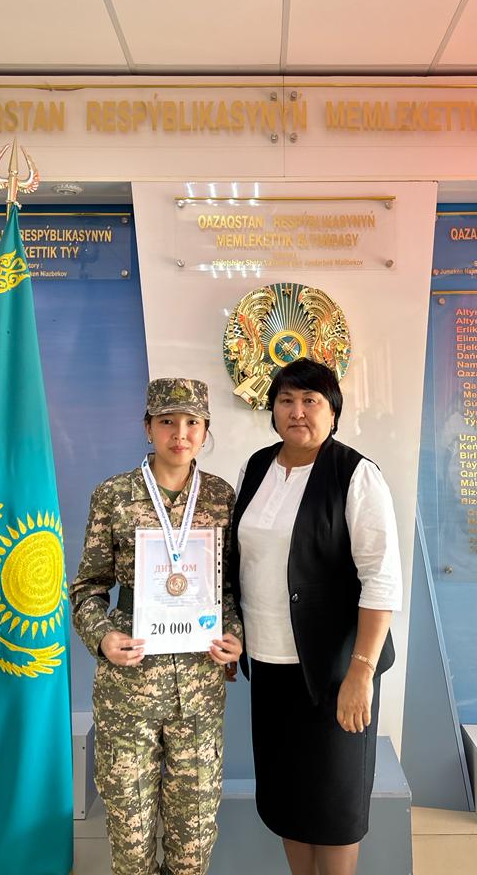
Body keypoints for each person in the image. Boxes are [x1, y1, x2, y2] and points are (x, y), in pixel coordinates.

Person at [230, 358, 402, 875]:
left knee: (334, 805)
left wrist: (361, 672)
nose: (297, 411)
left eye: (311, 401)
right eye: (286, 400)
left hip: (334, 672)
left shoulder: (356, 474)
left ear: (333, 411)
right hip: (269, 664)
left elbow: (381, 579)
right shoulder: (256, 467)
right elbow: (239, 562)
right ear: (272, 409)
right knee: (288, 798)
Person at [70, 377, 243, 875]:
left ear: (205, 430)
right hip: (129, 688)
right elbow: (87, 587)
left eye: (192, 423)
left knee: (193, 845)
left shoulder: (220, 497)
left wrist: (234, 634)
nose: (180, 434)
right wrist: (103, 637)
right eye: (167, 421)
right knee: (131, 843)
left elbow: (230, 588)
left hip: (199, 688)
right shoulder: (114, 495)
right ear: (148, 427)